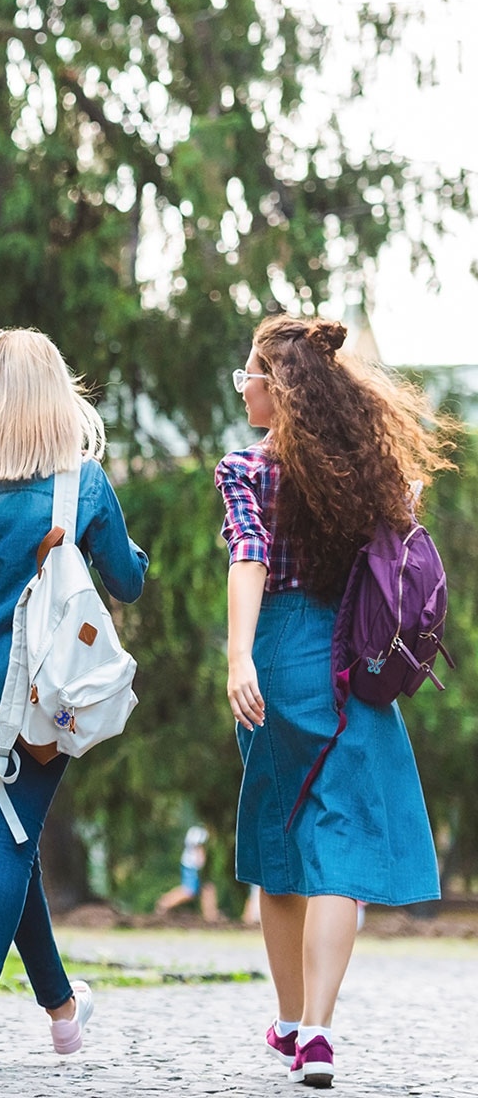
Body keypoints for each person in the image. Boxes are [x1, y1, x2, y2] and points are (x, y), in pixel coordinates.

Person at [217, 315, 453, 1088]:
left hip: (279, 654)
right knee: (340, 842)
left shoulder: (248, 470)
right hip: (354, 662)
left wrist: (239, 655)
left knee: (281, 839)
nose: (243, 388)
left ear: (277, 388)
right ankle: (315, 1031)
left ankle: (290, 1020)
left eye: (249, 376)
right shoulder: (366, 474)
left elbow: (249, 558)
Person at [0, 327, 148, 1073]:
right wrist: (119, 550)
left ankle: (64, 1013)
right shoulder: (83, 484)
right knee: (11, 843)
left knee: (12, 837)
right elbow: (127, 581)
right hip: (44, 700)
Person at [155, 824, 218, 922]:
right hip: (191, 866)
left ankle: (210, 916)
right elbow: (198, 848)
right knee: (189, 891)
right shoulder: (200, 833)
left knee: (207, 889)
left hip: (191, 866)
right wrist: (200, 861)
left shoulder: (197, 831)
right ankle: (165, 903)